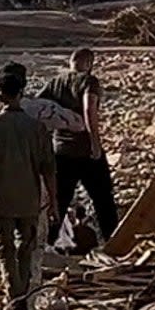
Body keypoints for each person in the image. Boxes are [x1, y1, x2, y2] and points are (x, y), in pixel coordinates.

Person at [0, 66, 57, 310]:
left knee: (4, 251)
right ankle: (21, 302)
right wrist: (53, 200)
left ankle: (17, 303)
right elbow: (48, 168)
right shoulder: (36, 128)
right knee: (25, 251)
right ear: (21, 93)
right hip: (29, 199)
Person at [38, 49, 117, 244]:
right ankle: (113, 242)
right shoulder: (89, 81)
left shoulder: (56, 82)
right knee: (102, 200)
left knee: (60, 199)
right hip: (85, 151)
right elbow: (89, 110)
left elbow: (38, 105)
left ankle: (48, 244)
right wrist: (95, 144)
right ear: (89, 63)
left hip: (61, 151)